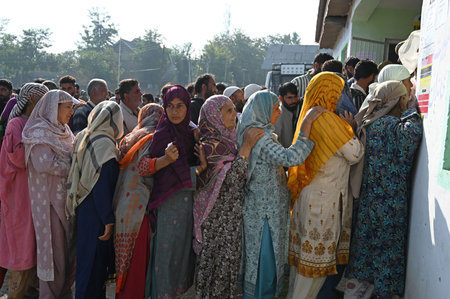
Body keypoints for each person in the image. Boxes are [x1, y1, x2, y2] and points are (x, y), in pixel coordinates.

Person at [238, 89, 324, 299]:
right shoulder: (261, 137)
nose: (278, 112)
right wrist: (306, 126)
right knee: (264, 261)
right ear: (264, 110)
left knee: (264, 260)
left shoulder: (260, 132)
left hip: (266, 207)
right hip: (264, 211)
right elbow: (291, 157)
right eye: (275, 108)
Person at [286, 72, 363, 299]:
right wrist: (350, 128)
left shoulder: (308, 114)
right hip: (323, 202)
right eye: (338, 90)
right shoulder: (329, 120)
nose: (341, 95)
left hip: (308, 196)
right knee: (314, 268)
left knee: (302, 265)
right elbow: (355, 153)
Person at [344, 81, 423, 299]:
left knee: (366, 245)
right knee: (387, 249)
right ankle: (385, 292)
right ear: (397, 100)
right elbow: (411, 138)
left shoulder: (369, 122)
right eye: (403, 97)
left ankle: (358, 290)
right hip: (390, 200)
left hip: (369, 197)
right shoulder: (389, 124)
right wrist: (412, 111)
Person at [137, 85, 206, 299]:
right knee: (165, 257)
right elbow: (143, 166)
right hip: (166, 204)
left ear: (188, 108)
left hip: (187, 205)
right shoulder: (161, 134)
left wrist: (201, 164)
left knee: (181, 254)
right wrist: (166, 160)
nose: (175, 112)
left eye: (180, 106)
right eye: (170, 107)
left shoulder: (190, 133)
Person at [193, 95, 263, 298]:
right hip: (216, 222)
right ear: (215, 115)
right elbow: (232, 182)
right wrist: (246, 150)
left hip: (229, 219)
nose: (234, 115)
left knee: (227, 270)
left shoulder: (227, 140)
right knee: (217, 271)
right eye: (228, 111)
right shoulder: (209, 147)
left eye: (234, 109)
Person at [22, 89, 77, 299]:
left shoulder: (63, 130)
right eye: (68, 107)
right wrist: (73, 165)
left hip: (64, 202)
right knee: (54, 252)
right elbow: (43, 163)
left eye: (72, 107)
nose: (71, 111)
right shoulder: (38, 132)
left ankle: (63, 291)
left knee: (65, 251)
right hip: (49, 204)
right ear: (54, 108)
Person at [66, 101, 124, 299]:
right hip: (97, 212)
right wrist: (108, 219)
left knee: (85, 262)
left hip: (84, 206)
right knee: (93, 265)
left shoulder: (85, 134)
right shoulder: (105, 144)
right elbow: (101, 186)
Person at [0, 83, 48, 299]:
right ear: (32, 100)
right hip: (18, 192)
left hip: (34, 192)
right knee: (20, 241)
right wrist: (39, 144)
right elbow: (18, 158)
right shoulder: (16, 124)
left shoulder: (37, 123)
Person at [113, 103, 164, 299]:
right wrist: (164, 163)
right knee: (137, 265)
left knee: (124, 261)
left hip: (122, 206)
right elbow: (144, 168)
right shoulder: (152, 138)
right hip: (140, 209)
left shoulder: (130, 136)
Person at [274, 82, 301, 148]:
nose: (293, 101)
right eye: (289, 98)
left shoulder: (299, 109)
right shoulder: (278, 114)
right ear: (280, 98)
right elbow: (275, 139)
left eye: (295, 97)